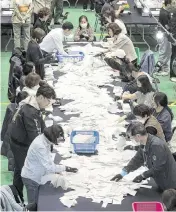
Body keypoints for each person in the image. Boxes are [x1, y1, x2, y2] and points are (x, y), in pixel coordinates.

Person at [10, 83, 56, 201]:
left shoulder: (33, 102)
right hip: (21, 145)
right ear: (40, 97)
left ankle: (16, 195)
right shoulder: (30, 112)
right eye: (48, 101)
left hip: (18, 140)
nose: (48, 104)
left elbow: (41, 124)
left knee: (19, 170)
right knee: (28, 174)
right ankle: (29, 203)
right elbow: (35, 137)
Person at [21, 124, 78, 206]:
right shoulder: (40, 146)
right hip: (31, 178)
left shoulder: (44, 139)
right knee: (33, 205)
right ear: (53, 137)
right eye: (58, 139)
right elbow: (49, 166)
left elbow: (47, 161)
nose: (58, 141)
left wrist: (58, 169)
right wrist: (65, 168)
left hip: (37, 172)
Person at [111, 122, 176, 191]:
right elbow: (137, 160)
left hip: (170, 182)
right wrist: (123, 173)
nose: (131, 139)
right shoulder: (144, 142)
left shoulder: (156, 145)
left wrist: (143, 176)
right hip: (161, 180)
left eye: (132, 137)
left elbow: (158, 167)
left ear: (138, 136)